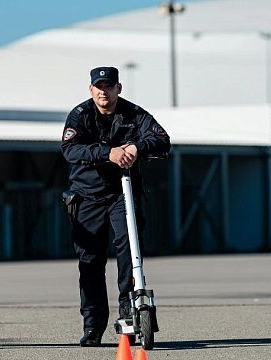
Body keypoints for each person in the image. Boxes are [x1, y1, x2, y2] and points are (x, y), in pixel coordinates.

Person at [61, 66, 171, 347]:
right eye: (98, 87)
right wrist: (106, 153)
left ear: (118, 88)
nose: (103, 91)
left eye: (108, 86)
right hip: (88, 196)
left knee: (129, 250)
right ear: (90, 90)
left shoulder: (135, 114)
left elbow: (162, 140)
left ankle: (130, 311)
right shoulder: (80, 115)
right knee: (91, 261)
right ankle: (92, 326)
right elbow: (70, 150)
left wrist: (136, 147)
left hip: (123, 193)